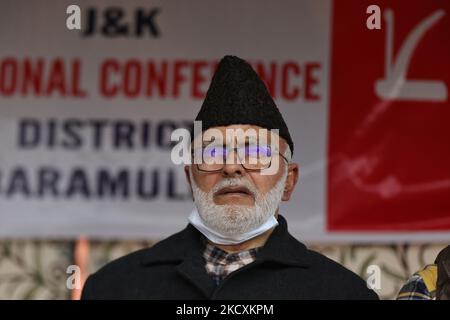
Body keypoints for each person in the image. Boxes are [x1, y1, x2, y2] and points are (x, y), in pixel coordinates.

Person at [81, 55, 378, 299]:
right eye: (212, 154)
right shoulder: (114, 288)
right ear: (190, 178)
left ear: (289, 180)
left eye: (256, 154)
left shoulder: (341, 293)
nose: (232, 168)